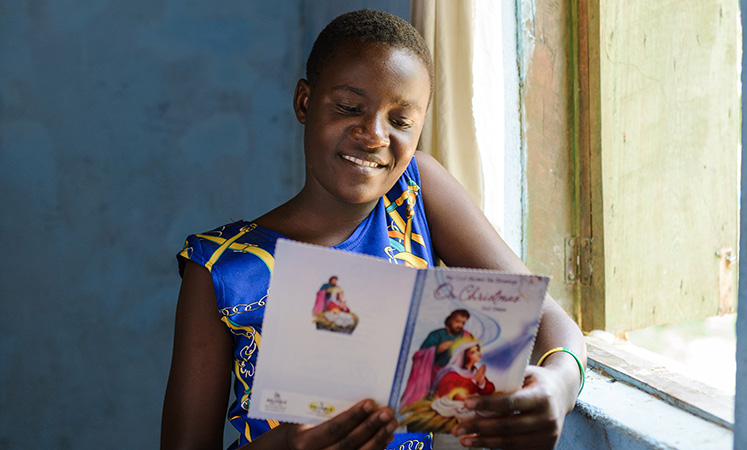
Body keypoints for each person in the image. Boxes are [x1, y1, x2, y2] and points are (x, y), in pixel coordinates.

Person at [161, 8, 586, 450]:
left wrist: (559, 384)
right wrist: (287, 446)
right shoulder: (221, 267)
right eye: (349, 107)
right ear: (305, 102)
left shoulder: (414, 193)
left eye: (401, 121)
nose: (373, 135)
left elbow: (548, 319)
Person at [431, 341, 494, 422]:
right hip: (456, 404)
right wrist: (472, 384)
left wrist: (482, 383)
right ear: (465, 357)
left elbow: (490, 390)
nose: (478, 353)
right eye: (473, 352)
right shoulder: (452, 374)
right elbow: (446, 393)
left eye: (477, 350)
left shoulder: (475, 372)